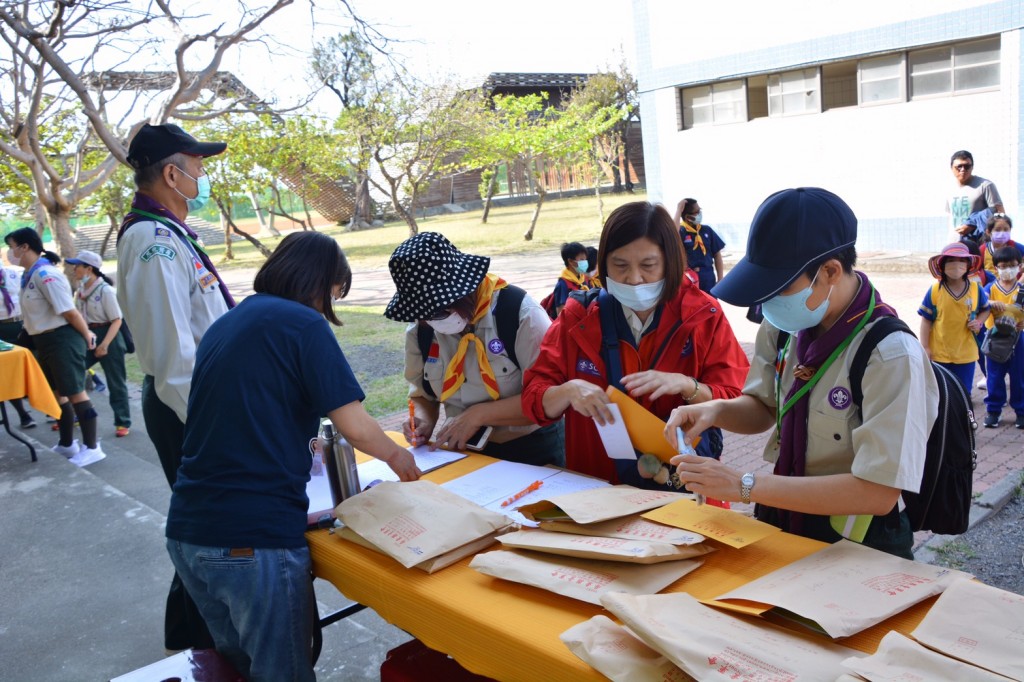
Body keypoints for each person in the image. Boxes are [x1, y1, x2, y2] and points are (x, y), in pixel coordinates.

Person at [167, 231, 420, 682]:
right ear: (328, 285)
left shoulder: (230, 320)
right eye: (337, 291)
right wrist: (400, 460)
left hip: (189, 532)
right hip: (251, 539)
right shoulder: (303, 323)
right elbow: (355, 424)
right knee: (281, 672)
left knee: (240, 668)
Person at [664, 187, 939, 559]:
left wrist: (743, 485)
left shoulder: (890, 355)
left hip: (859, 543)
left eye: (779, 287)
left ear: (829, 271)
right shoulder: (783, 326)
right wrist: (714, 411)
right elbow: (763, 407)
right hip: (781, 516)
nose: (767, 302)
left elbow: (877, 492)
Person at [521, 201, 749, 487]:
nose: (634, 279)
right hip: (599, 490)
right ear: (603, 263)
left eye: (648, 266)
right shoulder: (578, 317)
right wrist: (567, 391)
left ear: (670, 261)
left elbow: (738, 404)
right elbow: (533, 398)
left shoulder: (703, 314)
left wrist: (688, 386)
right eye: (620, 265)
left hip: (684, 491)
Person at [117, 123, 231, 651]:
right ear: (171, 172)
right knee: (209, 525)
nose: (202, 176)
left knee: (207, 522)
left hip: (199, 399)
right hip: (186, 406)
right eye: (197, 166)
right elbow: (172, 361)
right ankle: (201, 639)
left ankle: (199, 632)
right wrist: (217, 429)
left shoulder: (174, 232)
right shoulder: (151, 241)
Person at [385, 232, 563, 465]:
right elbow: (422, 395)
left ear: (463, 291)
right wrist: (422, 421)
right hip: (467, 452)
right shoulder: (422, 329)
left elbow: (551, 397)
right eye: (421, 315)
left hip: (532, 449)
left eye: (438, 311)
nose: (429, 321)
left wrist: (477, 416)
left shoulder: (520, 315)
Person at [4, 228, 104, 466]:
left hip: (61, 339)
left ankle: (92, 447)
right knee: (59, 395)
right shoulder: (29, 275)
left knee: (75, 392)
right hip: (43, 341)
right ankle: (68, 443)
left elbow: (68, 311)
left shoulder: (46, 273)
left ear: (25, 247)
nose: (10, 251)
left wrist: (87, 334)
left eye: (12, 245)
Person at [66, 250, 131, 437]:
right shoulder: (80, 291)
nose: (74, 269)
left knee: (116, 381)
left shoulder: (105, 291)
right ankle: (79, 413)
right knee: (74, 372)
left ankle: (122, 421)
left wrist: (104, 345)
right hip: (88, 335)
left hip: (109, 335)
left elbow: (117, 320)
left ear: (89, 269)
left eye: (77, 266)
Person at [918, 242, 990, 395]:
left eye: (961, 260)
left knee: (963, 393)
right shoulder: (935, 290)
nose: (956, 264)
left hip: (966, 354)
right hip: (940, 354)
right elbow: (926, 320)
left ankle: (963, 419)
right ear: (943, 265)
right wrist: (925, 347)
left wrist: (979, 322)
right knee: (941, 393)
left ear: (968, 265)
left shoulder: (976, 290)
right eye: (950, 260)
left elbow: (985, 310)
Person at [981, 246, 1024, 429]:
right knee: (994, 377)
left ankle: (1021, 411)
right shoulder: (990, 288)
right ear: (996, 267)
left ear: (1019, 266)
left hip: (1018, 340)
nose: (1007, 269)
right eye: (1003, 266)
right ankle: (993, 410)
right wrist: (990, 302)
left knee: (1019, 376)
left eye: (1012, 265)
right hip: (994, 339)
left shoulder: (1021, 290)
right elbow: (979, 303)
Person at [1, 259, 37, 428]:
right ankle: (23, 414)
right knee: (7, 374)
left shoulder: (14, 274)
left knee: (36, 367)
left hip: (20, 325)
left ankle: (53, 409)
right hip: (1, 329)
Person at [947, 150, 1003, 243]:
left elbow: (1000, 213)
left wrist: (973, 224)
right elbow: (951, 216)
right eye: (959, 166)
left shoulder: (985, 185)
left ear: (972, 167)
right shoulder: (949, 189)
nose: (963, 169)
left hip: (978, 243)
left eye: (967, 166)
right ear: (952, 168)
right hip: (955, 244)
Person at [673, 197, 725, 294]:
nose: (699, 214)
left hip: (708, 277)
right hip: (690, 278)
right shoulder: (681, 231)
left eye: (699, 210)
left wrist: (720, 278)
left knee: (711, 305)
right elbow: (672, 235)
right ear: (688, 217)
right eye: (696, 212)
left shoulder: (706, 230)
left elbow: (717, 255)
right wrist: (679, 210)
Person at [547, 241, 592, 317]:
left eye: (585, 259)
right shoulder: (563, 284)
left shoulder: (584, 279)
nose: (585, 263)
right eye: (581, 260)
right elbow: (561, 315)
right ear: (570, 261)